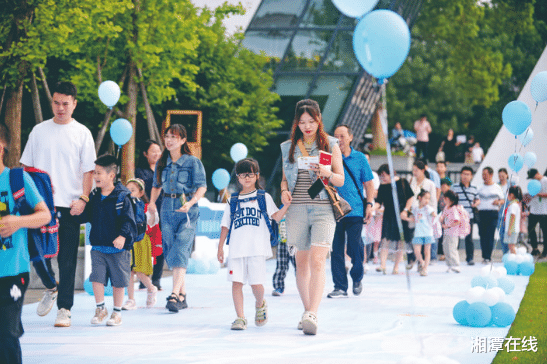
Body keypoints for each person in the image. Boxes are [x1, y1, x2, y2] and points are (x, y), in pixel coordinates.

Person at [20, 81, 96, 327]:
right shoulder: (38, 131)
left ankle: (65, 308)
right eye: (56, 103)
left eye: (65, 103)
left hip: (69, 204)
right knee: (37, 254)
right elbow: (26, 168)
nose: (60, 108)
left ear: (74, 104)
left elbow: (89, 171)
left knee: (67, 258)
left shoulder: (82, 133)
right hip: (40, 206)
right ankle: (51, 286)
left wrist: (83, 199)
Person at [279, 99, 344, 335]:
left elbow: (340, 179)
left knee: (318, 260)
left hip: (323, 208)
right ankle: (307, 310)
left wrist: (326, 172)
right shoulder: (288, 147)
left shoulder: (330, 144)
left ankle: (313, 313)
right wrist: (284, 190)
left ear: (319, 120)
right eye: (302, 122)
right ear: (297, 122)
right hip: (296, 208)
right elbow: (285, 178)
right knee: (301, 263)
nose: (307, 126)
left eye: (311, 121)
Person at [217, 158, 289, 330]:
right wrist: (220, 247)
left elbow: (276, 217)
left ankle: (259, 303)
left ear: (257, 176)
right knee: (236, 283)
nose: (246, 178)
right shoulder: (232, 200)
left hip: (257, 248)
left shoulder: (264, 197)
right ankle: (240, 317)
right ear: (237, 177)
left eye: (250, 174)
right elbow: (225, 225)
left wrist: (286, 205)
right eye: (242, 174)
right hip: (236, 249)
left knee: (256, 284)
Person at [0, 124, 52, 364]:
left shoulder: (16, 179)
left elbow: (45, 215)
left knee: (6, 334)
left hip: (12, 271)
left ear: (1, 146)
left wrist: (18, 221)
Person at [149, 124, 207, 312]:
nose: (169, 140)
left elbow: (202, 187)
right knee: (170, 249)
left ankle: (173, 295)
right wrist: (151, 204)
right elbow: (156, 185)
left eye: (174, 137)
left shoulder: (192, 162)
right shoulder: (161, 162)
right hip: (166, 207)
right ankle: (182, 295)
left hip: (187, 209)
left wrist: (191, 203)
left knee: (182, 246)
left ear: (183, 140)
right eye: (167, 136)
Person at [79, 155, 136, 326]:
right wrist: (76, 213)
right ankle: (100, 308)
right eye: (95, 172)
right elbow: (88, 215)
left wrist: (122, 236)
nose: (95, 176)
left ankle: (116, 312)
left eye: (99, 173)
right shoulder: (94, 196)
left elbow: (129, 220)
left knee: (119, 282)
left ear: (111, 175)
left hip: (118, 249)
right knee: (97, 278)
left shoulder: (122, 197)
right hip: (98, 247)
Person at [327, 125, 375, 298]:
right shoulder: (328, 158)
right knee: (336, 249)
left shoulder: (360, 158)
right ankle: (340, 286)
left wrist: (369, 205)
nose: (339, 139)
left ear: (350, 137)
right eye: (336, 136)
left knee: (355, 245)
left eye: (342, 136)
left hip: (355, 209)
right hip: (334, 210)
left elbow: (369, 184)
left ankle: (357, 276)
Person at [122, 178, 159, 310]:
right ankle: (131, 300)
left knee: (140, 272)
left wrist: (153, 212)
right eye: (127, 190)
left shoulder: (146, 207)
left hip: (141, 241)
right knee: (129, 271)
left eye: (133, 190)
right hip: (128, 241)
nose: (129, 193)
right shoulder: (123, 205)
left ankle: (151, 288)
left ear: (141, 192)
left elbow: (152, 223)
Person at [374, 164, 414, 275]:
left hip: (401, 214)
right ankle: (382, 265)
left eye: (384, 175)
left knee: (401, 241)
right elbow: (379, 202)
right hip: (388, 215)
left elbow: (410, 197)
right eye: (381, 176)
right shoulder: (383, 187)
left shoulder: (402, 182)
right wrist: (372, 208)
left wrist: (406, 210)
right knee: (385, 239)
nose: (383, 178)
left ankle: (396, 267)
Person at [135, 140, 164, 290]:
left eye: (158, 151)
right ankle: (144, 280)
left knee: (160, 246)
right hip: (146, 213)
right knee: (146, 247)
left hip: (162, 213)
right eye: (153, 151)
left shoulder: (163, 170)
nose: (157, 154)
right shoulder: (139, 172)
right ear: (145, 154)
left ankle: (157, 280)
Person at [407, 160, 437, 269]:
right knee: (412, 238)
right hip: (413, 213)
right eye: (413, 170)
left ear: (423, 170)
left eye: (416, 170)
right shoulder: (411, 181)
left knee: (425, 241)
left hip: (425, 216)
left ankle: (423, 264)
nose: (414, 172)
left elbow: (433, 201)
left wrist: (433, 216)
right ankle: (413, 260)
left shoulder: (430, 184)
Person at [451, 167, 480, 265]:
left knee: (469, 238)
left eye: (468, 174)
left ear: (471, 176)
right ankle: (455, 258)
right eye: (464, 174)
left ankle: (470, 258)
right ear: (460, 175)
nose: (465, 176)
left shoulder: (474, 188)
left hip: (469, 217)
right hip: (456, 217)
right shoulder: (454, 187)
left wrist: (476, 203)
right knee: (455, 238)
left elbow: (477, 199)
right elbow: (450, 200)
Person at [405, 190, 436, 276]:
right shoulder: (415, 209)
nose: (427, 200)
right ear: (420, 198)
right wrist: (406, 218)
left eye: (428, 199)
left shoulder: (428, 208)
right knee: (417, 251)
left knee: (427, 251)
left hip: (428, 233)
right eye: (425, 198)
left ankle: (425, 268)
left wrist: (435, 216)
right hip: (418, 233)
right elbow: (414, 219)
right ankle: (421, 262)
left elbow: (434, 215)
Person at [477, 167, 504, 263]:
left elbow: (502, 200)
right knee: (482, 235)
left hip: (493, 213)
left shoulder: (497, 187)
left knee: (490, 234)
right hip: (481, 213)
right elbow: (475, 199)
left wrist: (498, 202)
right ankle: (484, 256)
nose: (484, 176)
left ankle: (488, 256)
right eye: (483, 174)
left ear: (491, 175)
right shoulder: (479, 187)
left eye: (486, 174)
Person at [271, 217, 295, 296]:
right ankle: (279, 287)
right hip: (282, 240)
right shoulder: (281, 208)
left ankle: (306, 286)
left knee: (300, 266)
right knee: (281, 265)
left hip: (296, 242)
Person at [526, 168, 547, 257]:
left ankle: (545, 251)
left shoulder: (545, 180)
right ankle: (535, 248)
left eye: (533, 177)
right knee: (530, 229)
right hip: (534, 210)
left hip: (544, 211)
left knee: (545, 232)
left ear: (538, 173)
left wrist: (537, 194)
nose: (533, 179)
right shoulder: (533, 183)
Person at [440, 190, 462, 273]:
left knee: (452, 249)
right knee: (446, 249)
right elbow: (443, 215)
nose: (444, 199)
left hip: (453, 233)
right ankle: (450, 265)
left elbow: (457, 221)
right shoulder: (446, 207)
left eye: (446, 198)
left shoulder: (454, 209)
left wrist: (448, 225)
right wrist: (441, 218)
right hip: (447, 232)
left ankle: (456, 265)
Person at [504, 186, 522, 255]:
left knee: (511, 246)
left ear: (511, 195)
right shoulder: (513, 204)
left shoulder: (513, 205)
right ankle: (513, 257)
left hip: (512, 229)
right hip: (512, 229)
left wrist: (510, 229)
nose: (507, 196)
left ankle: (515, 257)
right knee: (510, 245)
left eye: (507, 194)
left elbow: (512, 217)